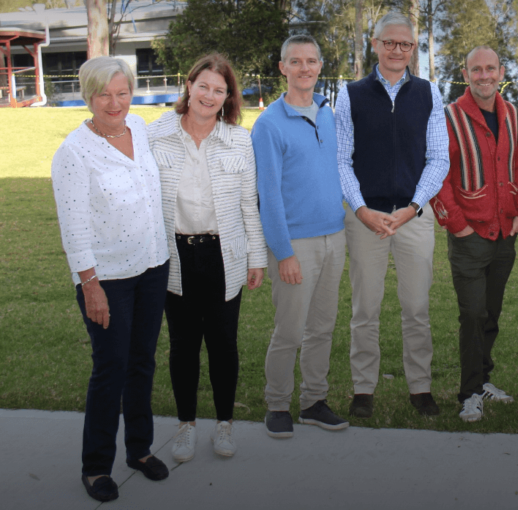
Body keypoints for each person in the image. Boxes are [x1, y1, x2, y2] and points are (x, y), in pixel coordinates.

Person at [51, 57, 171, 502]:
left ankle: (139, 449)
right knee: (111, 369)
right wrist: (90, 285)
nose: (115, 102)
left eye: (123, 92)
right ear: (88, 96)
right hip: (108, 280)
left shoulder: (139, 128)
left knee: (142, 362)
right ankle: (96, 467)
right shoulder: (74, 153)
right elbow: (74, 227)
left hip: (153, 266)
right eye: (105, 94)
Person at [148, 53, 267, 461]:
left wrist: (257, 258)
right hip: (175, 255)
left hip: (223, 254)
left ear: (228, 96)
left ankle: (224, 425)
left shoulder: (239, 139)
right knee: (182, 345)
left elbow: (250, 204)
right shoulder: (157, 134)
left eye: (220, 90)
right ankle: (185, 426)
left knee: (223, 344)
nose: (210, 95)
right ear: (189, 85)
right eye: (204, 86)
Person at [336, 12, 449, 418]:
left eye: (405, 44)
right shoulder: (350, 94)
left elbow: (439, 158)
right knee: (365, 308)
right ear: (375, 44)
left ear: (412, 49)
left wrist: (414, 207)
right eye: (389, 42)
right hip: (365, 217)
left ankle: (420, 386)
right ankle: (363, 388)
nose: (397, 50)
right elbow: (341, 160)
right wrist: (362, 209)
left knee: (416, 307)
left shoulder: (429, 93)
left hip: (413, 216)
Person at [430, 46, 518, 422]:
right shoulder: (449, 117)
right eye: (477, 69)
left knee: (491, 312)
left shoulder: (509, 113)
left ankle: (484, 380)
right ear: (466, 72)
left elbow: (517, 166)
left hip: (505, 232)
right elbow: (438, 175)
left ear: (501, 70)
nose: (485, 75)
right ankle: (469, 392)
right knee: (472, 314)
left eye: (491, 68)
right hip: (469, 234)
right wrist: (457, 224)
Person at [252, 35, 349, 438]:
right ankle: (277, 403)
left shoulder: (328, 113)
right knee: (290, 330)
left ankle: (313, 400)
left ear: (320, 66)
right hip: (295, 245)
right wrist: (284, 252)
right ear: (282, 68)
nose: (304, 68)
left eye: (311, 61)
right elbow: (268, 196)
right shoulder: (268, 124)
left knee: (322, 327)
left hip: (334, 237)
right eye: (295, 61)